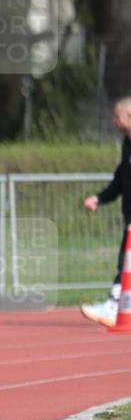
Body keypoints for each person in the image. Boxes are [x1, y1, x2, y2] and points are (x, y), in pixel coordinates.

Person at [80, 97, 131, 327]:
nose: (113, 121)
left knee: (126, 261)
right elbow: (121, 179)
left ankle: (114, 305)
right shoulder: (127, 144)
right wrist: (100, 198)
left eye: (117, 116)